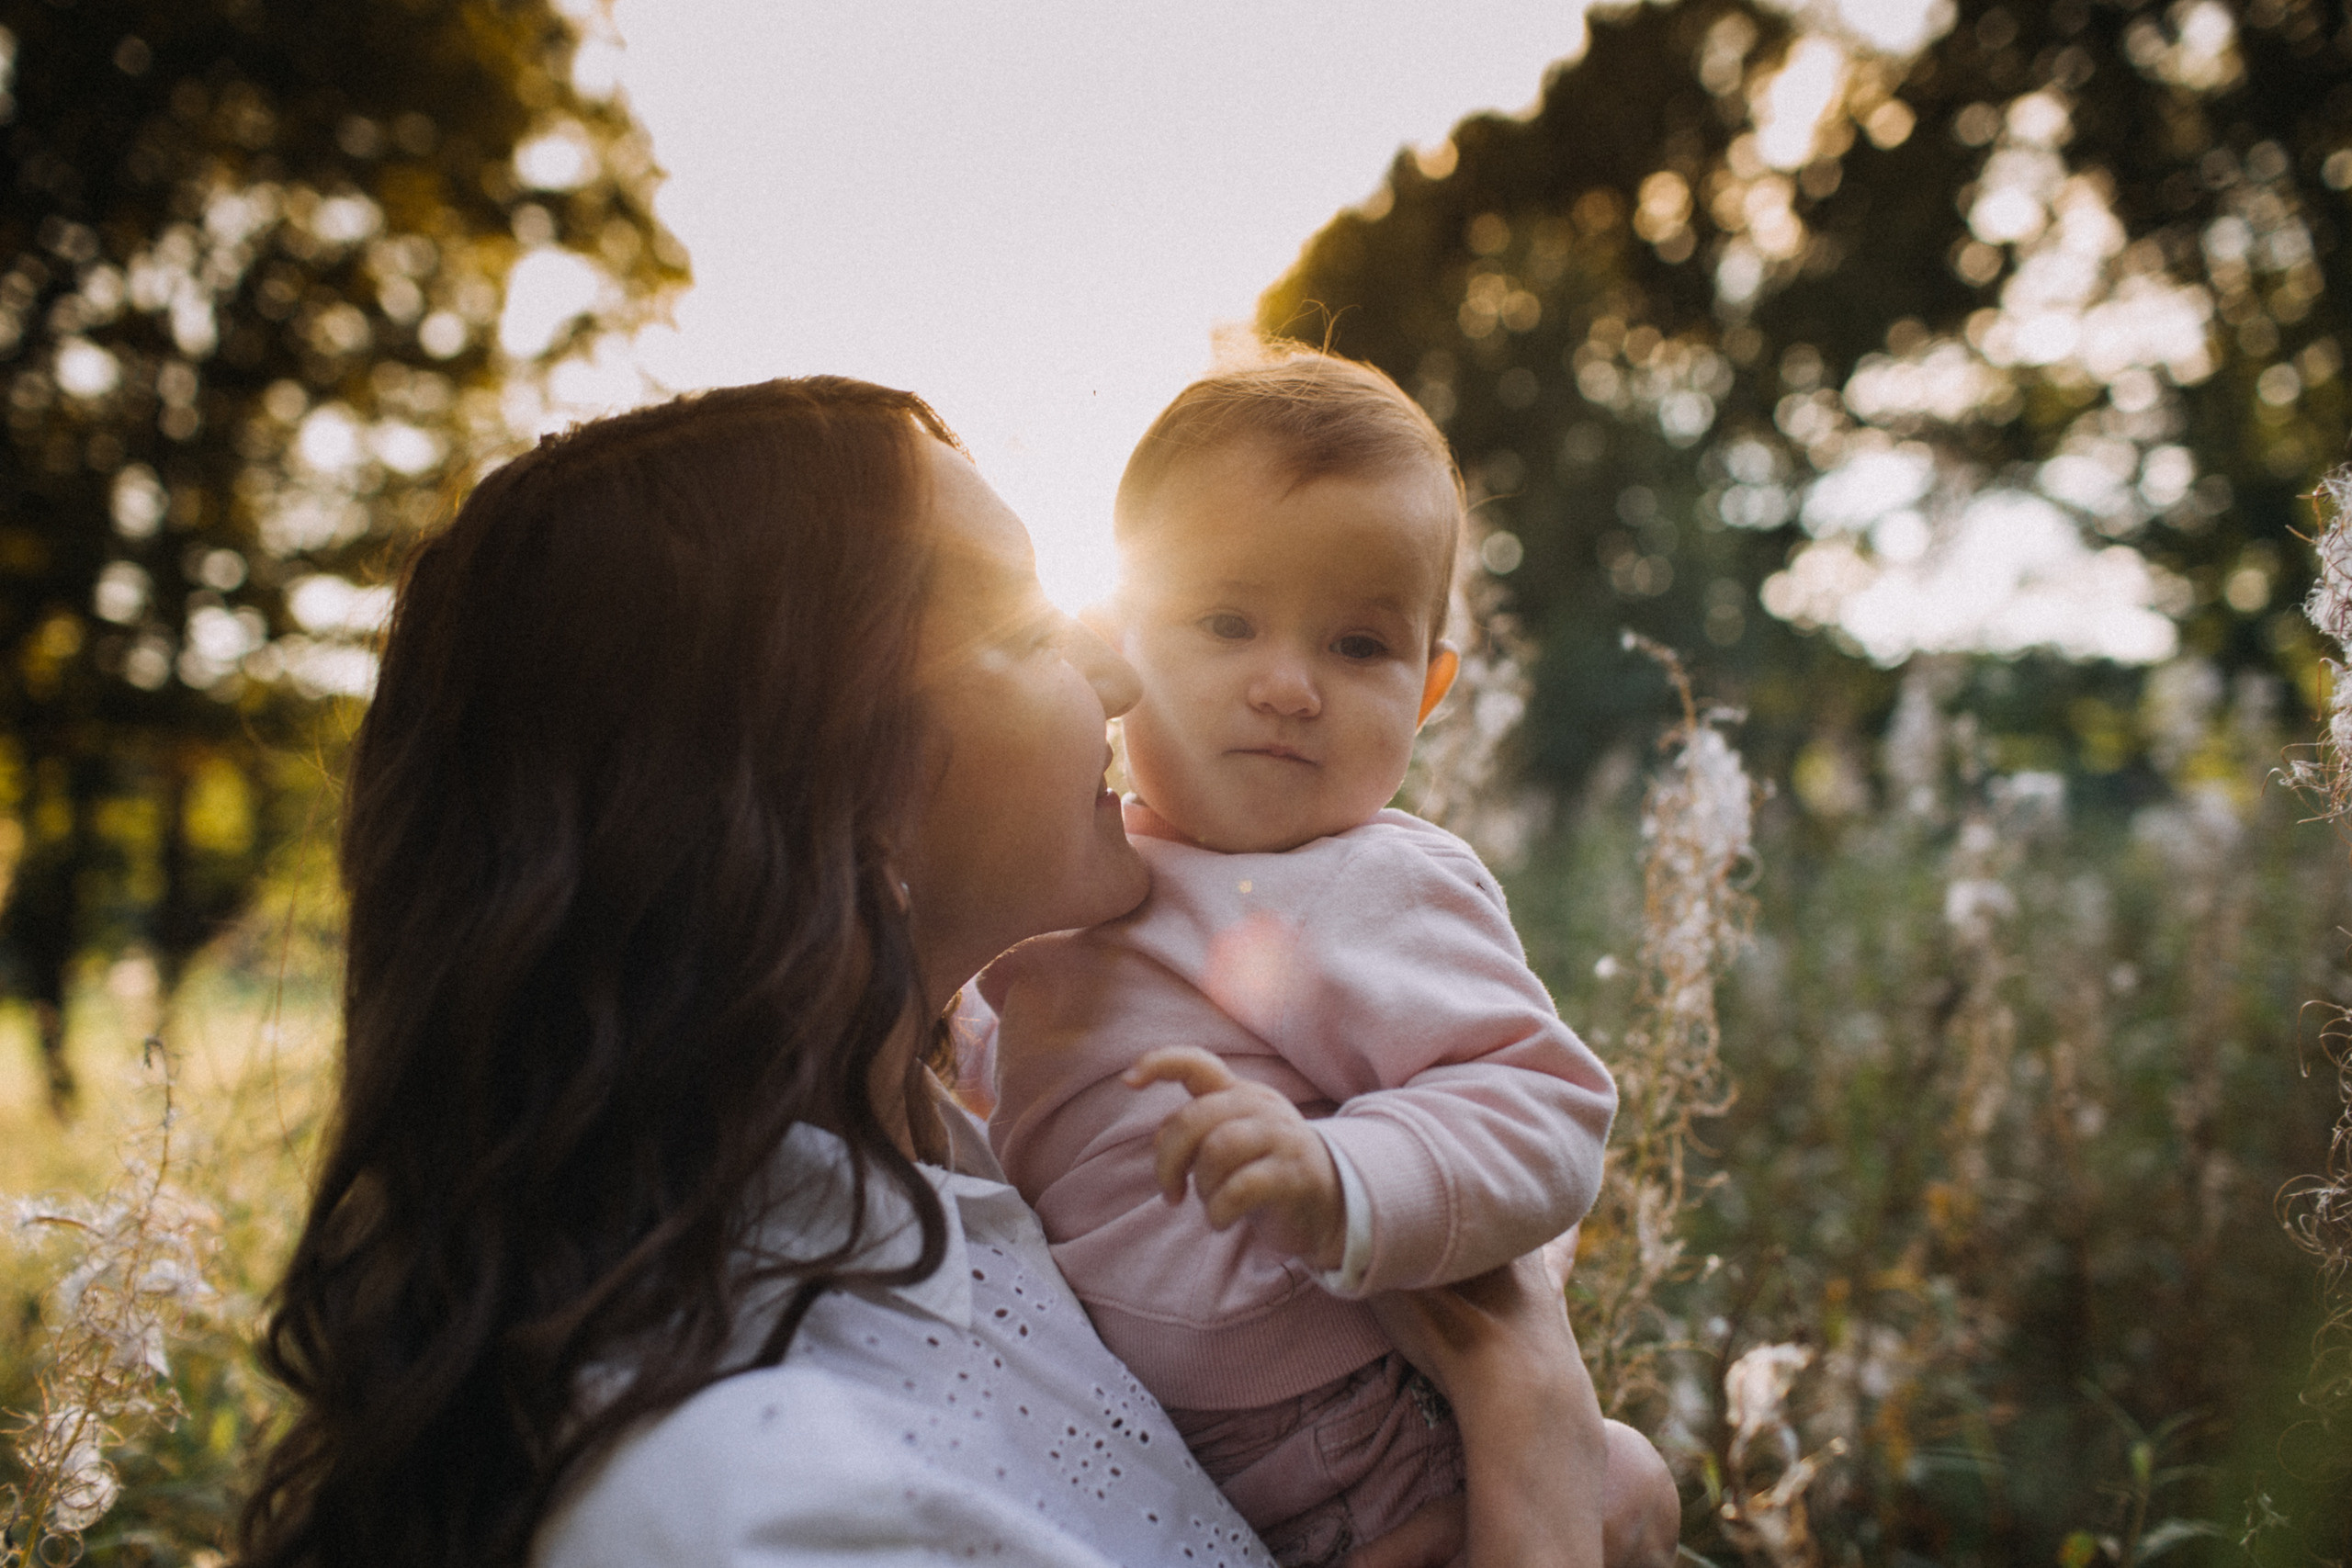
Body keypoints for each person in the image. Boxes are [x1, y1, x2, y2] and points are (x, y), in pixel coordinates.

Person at [231, 377, 1658, 1568]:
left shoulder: (951, 1170)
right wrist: (1525, 1412)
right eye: (1031, 631)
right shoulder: (762, 1509)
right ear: (838, 785)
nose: (1120, 677)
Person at [977, 349, 1670, 1568]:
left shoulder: (1373, 882)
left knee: (1620, 1491)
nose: (1289, 687)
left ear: (1428, 690)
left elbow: (1544, 1103)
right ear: (1116, 642)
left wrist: (1344, 1178)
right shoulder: (1074, 858)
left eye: (1358, 645)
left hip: (1360, 1444)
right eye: (1226, 623)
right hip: (1160, 1450)